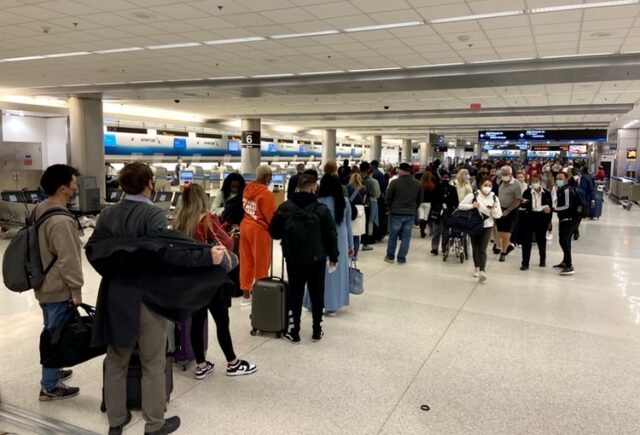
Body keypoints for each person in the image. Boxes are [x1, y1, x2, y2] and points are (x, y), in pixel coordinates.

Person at [89, 162, 229, 435]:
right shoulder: (152, 214)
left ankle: (116, 421)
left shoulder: (107, 215)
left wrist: (115, 272)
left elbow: (94, 250)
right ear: (149, 184)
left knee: (116, 358)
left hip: (114, 294)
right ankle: (154, 424)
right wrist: (206, 256)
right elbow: (169, 252)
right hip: (147, 297)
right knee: (152, 361)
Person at [174, 184, 256, 380]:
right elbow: (227, 243)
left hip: (191, 281)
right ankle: (233, 363)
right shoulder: (208, 220)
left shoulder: (179, 222)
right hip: (212, 279)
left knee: (197, 321)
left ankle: (201, 365)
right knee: (222, 321)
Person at [269, 174, 339, 343]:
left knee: (295, 293)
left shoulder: (285, 207)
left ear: (298, 187)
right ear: (314, 187)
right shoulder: (321, 209)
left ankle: (295, 332)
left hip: (294, 258)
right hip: (317, 259)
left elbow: (274, 233)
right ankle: (316, 330)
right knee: (317, 293)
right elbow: (331, 234)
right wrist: (333, 256)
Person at [35, 164, 83, 402]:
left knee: (51, 331)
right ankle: (50, 385)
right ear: (63, 188)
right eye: (73, 183)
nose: (76, 187)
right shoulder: (62, 221)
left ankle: (54, 369)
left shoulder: (40, 209)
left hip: (42, 283)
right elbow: (69, 260)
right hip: (57, 288)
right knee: (55, 335)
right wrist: (76, 290)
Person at [304, 175, 354, 315]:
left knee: (316, 272)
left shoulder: (316, 202)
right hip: (341, 239)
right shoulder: (344, 202)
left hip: (319, 238)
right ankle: (332, 305)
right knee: (335, 271)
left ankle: (312, 303)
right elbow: (348, 225)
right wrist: (351, 245)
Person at [239, 165, 276, 305]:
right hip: (259, 231)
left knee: (246, 261)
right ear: (267, 178)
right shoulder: (266, 194)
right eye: (270, 177)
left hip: (245, 226)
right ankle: (260, 295)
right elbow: (271, 217)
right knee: (261, 263)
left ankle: (246, 295)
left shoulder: (247, 189)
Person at [458, 177, 502, 282]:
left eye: (489, 186)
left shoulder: (494, 198)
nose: (487, 188)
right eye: (485, 185)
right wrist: (472, 206)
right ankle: (476, 267)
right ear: (480, 186)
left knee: (482, 248)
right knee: (475, 246)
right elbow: (460, 206)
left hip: (487, 225)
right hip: (474, 224)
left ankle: (482, 270)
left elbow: (499, 214)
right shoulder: (473, 195)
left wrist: (493, 209)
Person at [384, 163, 423, 264]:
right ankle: (401, 258)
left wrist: (390, 207)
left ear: (401, 170)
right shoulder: (417, 184)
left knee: (393, 236)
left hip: (396, 212)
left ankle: (390, 257)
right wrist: (414, 207)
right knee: (406, 237)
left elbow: (387, 198)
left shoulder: (394, 183)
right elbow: (420, 199)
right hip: (410, 213)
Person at [518, 174, 553, 270]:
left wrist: (549, 221)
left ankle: (542, 259)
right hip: (529, 218)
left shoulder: (546, 193)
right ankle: (525, 263)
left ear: (541, 181)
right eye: (533, 181)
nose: (535, 183)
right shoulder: (526, 192)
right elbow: (522, 206)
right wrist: (523, 204)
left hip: (542, 218)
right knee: (526, 241)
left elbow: (550, 208)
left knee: (541, 240)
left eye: (537, 180)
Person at [554, 172, 580, 275]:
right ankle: (565, 261)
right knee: (565, 241)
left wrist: (554, 209)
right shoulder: (561, 190)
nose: (558, 180)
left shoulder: (567, 190)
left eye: (560, 178)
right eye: (557, 178)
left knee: (564, 240)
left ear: (566, 179)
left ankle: (569, 265)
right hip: (564, 219)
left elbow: (567, 206)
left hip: (570, 219)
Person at [496, 165, 522, 262]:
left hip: (511, 210)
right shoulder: (501, 181)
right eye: (503, 174)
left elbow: (518, 200)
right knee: (501, 232)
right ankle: (509, 246)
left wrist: (509, 209)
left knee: (507, 232)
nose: (504, 176)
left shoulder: (516, 184)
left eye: (506, 174)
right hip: (500, 209)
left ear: (511, 174)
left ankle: (503, 253)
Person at [429, 171, 459, 256]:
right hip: (437, 212)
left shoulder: (453, 189)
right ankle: (434, 248)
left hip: (448, 212)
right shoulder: (436, 188)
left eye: (447, 177)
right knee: (436, 231)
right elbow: (432, 200)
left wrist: (451, 209)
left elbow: (456, 202)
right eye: (444, 177)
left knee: (445, 231)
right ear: (441, 178)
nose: (445, 178)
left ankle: (444, 247)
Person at [360, 161, 381, 251]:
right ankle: (369, 239)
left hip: (361, 202)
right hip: (372, 202)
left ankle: (362, 239)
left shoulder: (359, 179)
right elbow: (377, 194)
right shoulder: (373, 181)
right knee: (371, 220)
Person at [346, 173, 368, 259]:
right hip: (361, 212)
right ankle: (354, 256)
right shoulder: (363, 188)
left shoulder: (348, 188)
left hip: (351, 210)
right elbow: (364, 200)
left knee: (349, 233)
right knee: (357, 235)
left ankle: (348, 252)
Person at [418, 171, 437, 238]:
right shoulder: (431, 184)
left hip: (421, 202)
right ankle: (423, 231)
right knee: (426, 217)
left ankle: (421, 230)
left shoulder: (420, 184)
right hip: (428, 202)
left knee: (421, 216)